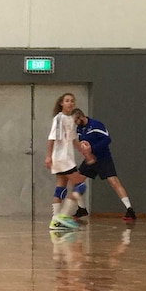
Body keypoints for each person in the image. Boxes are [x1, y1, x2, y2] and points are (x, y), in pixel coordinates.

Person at [71, 108, 136, 221]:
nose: (75, 124)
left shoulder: (96, 125)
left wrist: (93, 147)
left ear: (80, 117)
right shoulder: (79, 129)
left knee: (114, 182)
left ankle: (129, 209)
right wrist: (85, 150)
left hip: (103, 158)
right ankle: (81, 209)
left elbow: (107, 139)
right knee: (76, 181)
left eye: (75, 121)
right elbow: (82, 143)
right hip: (90, 159)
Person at [44, 93, 87, 230]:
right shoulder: (59, 119)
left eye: (72, 101)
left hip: (67, 159)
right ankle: (63, 216)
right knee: (80, 184)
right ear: (61, 103)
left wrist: (86, 153)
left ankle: (55, 221)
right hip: (61, 158)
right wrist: (48, 156)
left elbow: (74, 140)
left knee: (60, 189)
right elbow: (52, 138)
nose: (70, 103)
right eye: (67, 101)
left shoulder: (70, 119)